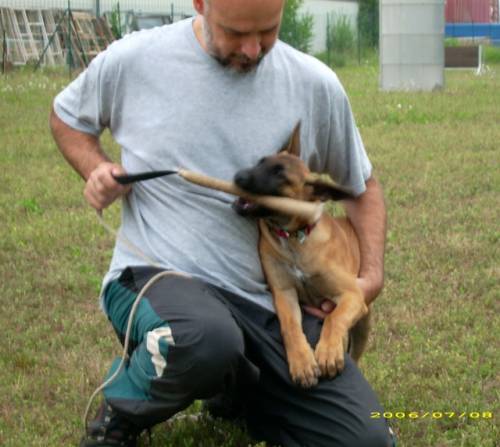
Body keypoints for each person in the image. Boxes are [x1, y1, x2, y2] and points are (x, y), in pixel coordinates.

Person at [50, 0, 392, 446]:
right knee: (205, 337)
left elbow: (362, 188)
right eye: (236, 33)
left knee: (365, 440)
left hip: (265, 305)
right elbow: (67, 118)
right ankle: (121, 411)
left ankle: (238, 388)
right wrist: (96, 168)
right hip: (159, 276)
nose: (252, 49)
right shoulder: (136, 60)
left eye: (267, 31)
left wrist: (370, 277)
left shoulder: (313, 83)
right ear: (200, 4)